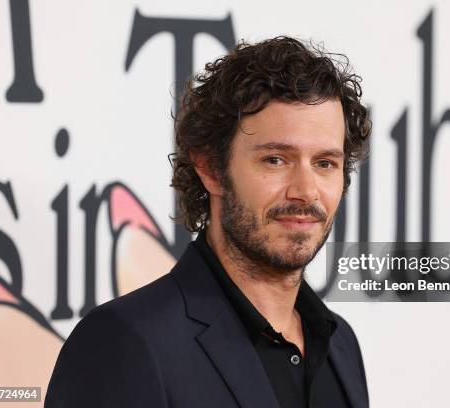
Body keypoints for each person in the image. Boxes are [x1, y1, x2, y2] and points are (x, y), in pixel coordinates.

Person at [45, 36, 371, 408]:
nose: (306, 191)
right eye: (276, 160)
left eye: (325, 163)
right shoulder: (125, 343)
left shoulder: (340, 344)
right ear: (211, 170)